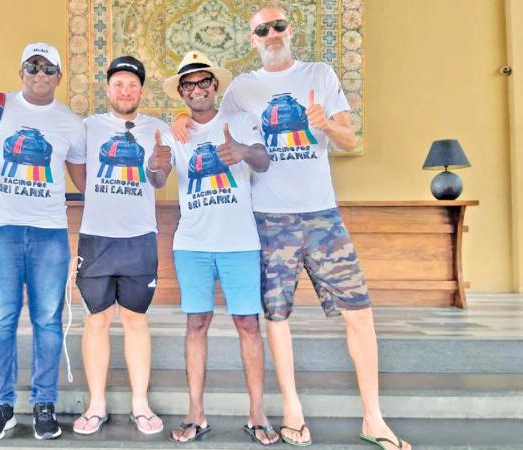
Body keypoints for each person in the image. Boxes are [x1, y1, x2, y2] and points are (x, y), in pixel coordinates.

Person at [173, 6, 411, 450]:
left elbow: (349, 138)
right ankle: (293, 410)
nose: (271, 34)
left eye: (278, 25)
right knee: (277, 317)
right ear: (252, 39)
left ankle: (374, 417)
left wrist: (327, 127)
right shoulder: (243, 88)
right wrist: (179, 120)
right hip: (269, 219)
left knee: (358, 312)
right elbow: (207, 122)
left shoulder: (319, 74)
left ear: (289, 30)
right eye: (262, 29)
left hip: (323, 214)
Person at [0, 42, 86, 441]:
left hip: (50, 234)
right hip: (2, 230)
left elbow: (84, 179)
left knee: (47, 321)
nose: (40, 74)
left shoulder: (70, 123)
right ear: (21, 71)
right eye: (33, 66)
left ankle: (44, 404)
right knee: (1, 320)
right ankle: (2, 405)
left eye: (48, 68)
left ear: (60, 77)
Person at [149, 51, 278, 445]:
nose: (197, 89)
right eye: (189, 85)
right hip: (192, 244)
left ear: (215, 86)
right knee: (196, 324)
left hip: (239, 242)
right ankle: (196, 414)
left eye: (204, 82)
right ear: (182, 93)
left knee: (248, 325)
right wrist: (156, 164)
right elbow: (157, 178)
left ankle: (257, 413)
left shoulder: (238, 120)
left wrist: (241, 151)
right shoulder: (175, 132)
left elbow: (264, 160)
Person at [71, 56, 169, 436]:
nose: (125, 91)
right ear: (108, 88)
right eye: (118, 84)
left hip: (139, 238)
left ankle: (140, 404)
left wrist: (159, 167)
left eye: (132, 84)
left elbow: (159, 179)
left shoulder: (157, 128)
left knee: (135, 320)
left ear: (141, 90)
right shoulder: (89, 127)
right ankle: (96, 405)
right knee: (96, 320)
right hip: (97, 237)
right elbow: (79, 174)